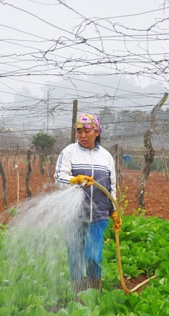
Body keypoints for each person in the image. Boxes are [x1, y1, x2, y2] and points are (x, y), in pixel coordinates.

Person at [54, 113, 121, 301]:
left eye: (87, 131)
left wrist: (114, 211)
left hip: (98, 216)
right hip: (74, 215)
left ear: (97, 131)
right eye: (79, 131)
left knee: (93, 257)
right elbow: (59, 177)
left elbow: (111, 187)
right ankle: (77, 295)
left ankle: (93, 294)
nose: (82, 135)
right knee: (75, 257)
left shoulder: (106, 157)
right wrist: (74, 179)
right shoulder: (68, 152)